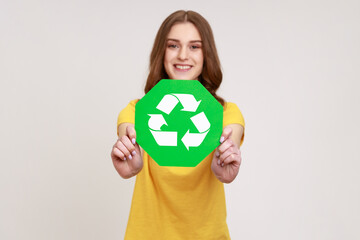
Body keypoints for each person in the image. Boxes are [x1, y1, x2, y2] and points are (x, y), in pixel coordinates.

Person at [111, 10, 245, 239]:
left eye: (195, 46)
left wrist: (225, 166)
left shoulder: (226, 113)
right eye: (173, 45)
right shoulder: (135, 112)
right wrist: (130, 160)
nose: (183, 55)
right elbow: (129, 133)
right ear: (161, 52)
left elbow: (230, 139)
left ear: (206, 55)